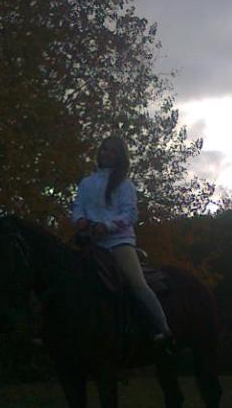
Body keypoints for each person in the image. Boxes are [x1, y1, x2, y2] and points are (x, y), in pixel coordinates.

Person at [71, 135, 172, 346]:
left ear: (120, 157)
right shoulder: (87, 182)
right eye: (104, 149)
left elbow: (129, 215)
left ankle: (163, 329)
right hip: (90, 242)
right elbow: (78, 207)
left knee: (137, 283)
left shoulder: (125, 185)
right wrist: (80, 220)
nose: (106, 153)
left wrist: (106, 226)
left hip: (118, 242)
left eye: (112, 151)